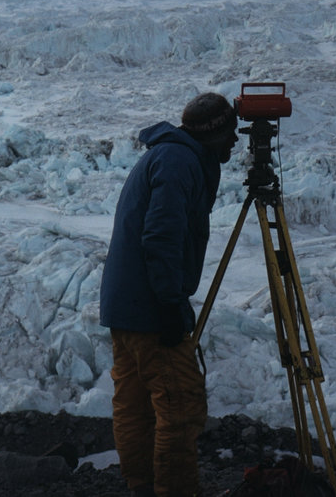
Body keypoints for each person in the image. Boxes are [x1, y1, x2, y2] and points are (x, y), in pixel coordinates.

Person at [100, 92, 238, 497]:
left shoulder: (171, 155)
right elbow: (161, 236)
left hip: (125, 304)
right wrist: (170, 304)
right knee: (181, 404)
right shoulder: (179, 161)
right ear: (212, 134)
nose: (236, 140)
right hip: (149, 308)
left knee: (136, 405)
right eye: (230, 132)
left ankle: (142, 487)